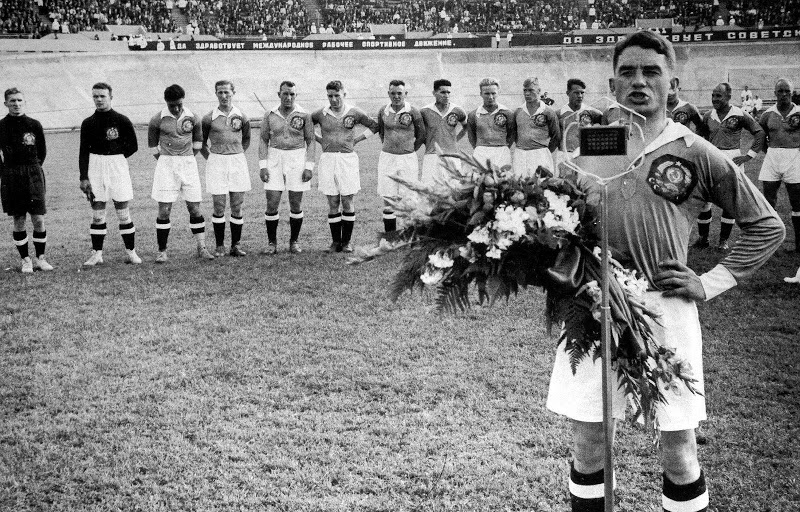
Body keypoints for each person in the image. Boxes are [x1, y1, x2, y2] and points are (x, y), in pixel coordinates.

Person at [548, 30, 784, 512]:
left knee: (678, 449)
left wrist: (709, 281)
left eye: (651, 71)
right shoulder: (594, 144)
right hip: (595, 308)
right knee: (589, 443)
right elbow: (560, 221)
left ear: (671, 82)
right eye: (628, 72)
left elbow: (766, 225)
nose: (639, 81)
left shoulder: (696, 149)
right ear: (613, 85)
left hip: (666, 311)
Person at [148, 84, 216, 263]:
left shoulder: (193, 117)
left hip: (188, 164)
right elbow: (153, 147)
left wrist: (185, 158)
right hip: (166, 165)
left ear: (183, 100)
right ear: (166, 102)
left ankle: (201, 248)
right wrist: (168, 160)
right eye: (172, 105)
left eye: (179, 104)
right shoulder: (158, 119)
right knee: (164, 210)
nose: (176, 108)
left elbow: (198, 142)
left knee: (194, 208)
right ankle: (162, 251)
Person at [311, 80, 377, 253]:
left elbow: (375, 126)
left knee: (347, 200)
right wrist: (319, 139)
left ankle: (346, 242)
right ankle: (335, 242)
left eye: (337, 95)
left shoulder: (354, 112)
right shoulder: (320, 113)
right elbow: (305, 126)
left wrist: (357, 140)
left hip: (347, 159)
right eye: (330, 96)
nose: (333, 100)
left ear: (344, 94)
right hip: (327, 159)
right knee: (332, 200)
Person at [696, 83, 765, 250]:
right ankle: (703, 239)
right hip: (711, 159)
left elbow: (759, 132)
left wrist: (748, 156)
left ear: (728, 96)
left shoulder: (739, 114)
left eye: (718, 96)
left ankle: (723, 241)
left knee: (729, 202)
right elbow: (700, 135)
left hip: (732, 160)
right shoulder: (707, 116)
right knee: (704, 201)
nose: (715, 99)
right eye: (713, 95)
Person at [79, 82, 141, 266]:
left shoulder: (122, 120)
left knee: (122, 210)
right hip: (95, 165)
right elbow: (83, 151)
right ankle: (97, 254)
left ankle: (131, 252)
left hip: (116, 164)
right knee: (98, 212)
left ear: (110, 97)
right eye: (95, 96)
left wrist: (115, 153)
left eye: (102, 96)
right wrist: (83, 177)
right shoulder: (88, 123)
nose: (98, 99)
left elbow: (133, 146)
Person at [258, 80, 315, 254]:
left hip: (296, 158)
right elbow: (262, 140)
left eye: (292, 94)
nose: (288, 97)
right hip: (275, 157)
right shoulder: (270, 114)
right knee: (272, 202)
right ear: (279, 94)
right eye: (285, 94)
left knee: (295, 203)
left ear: (296, 96)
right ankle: (271, 243)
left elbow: (310, 141)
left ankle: (294, 241)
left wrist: (309, 166)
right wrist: (263, 165)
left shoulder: (304, 115)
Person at [0, 88, 52, 273]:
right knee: (19, 219)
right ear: (5, 103)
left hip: (33, 173)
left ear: (24, 102)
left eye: (19, 100)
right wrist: (5, 172)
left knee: (38, 218)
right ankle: (25, 260)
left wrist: (34, 168)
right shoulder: (1, 126)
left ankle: (40, 259)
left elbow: (42, 152)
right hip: (12, 175)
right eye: (12, 101)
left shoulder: (34, 124)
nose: (16, 104)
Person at [201, 79, 251, 257]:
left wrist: (235, 154)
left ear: (233, 93)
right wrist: (213, 158)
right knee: (219, 206)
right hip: (217, 161)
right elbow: (201, 143)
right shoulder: (209, 118)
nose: (223, 96)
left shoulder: (242, 116)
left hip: (237, 161)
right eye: (220, 92)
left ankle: (236, 245)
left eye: (227, 92)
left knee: (237, 205)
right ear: (216, 94)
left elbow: (246, 140)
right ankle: (220, 245)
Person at [376, 79, 425, 233]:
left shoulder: (413, 111)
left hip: (407, 159)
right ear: (388, 94)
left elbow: (421, 135)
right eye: (393, 93)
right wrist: (390, 147)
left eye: (399, 93)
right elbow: (382, 133)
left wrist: (409, 149)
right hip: (387, 158)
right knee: (388, 197)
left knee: (408, 196)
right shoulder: (383, 110)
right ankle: (390, 236)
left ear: (405, 94)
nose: (396, 96)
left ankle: (408, 234)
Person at [758, 78, 800, 253]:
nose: (784, 95)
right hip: (773, 157)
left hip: (795, 157)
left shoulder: (799, 112)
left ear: (792, 93)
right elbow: (759, 137)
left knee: (797, 203)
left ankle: (799, 244)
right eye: (780, 91)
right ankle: (770, 243)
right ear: (774, 93)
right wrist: (771, 152)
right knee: (768, 202)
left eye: (787, 91)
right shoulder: (767, 114)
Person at [419, 79, 468, 186]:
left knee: (455, 188)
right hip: (432, 156)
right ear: (434, 93)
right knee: (430, 189)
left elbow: (466, 127)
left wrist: (455, 139)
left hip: (452, 155)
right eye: (443, 92)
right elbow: (419, 132)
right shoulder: (424, 111)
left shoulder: (458, 110)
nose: (446, 95)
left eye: (448, 92)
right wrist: (428, 141)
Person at [512, 77, 560, 178]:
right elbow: (514, 134)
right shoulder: (518, 112)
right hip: (521, 154)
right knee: (520, 184)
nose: (527, 94)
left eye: (531, 90)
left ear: (538, 91)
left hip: (540, 154)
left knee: (542, 186)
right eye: (525, 90)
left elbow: (556, 137)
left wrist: (543, 150)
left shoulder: (548, 112)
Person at [556, 78, 603, 174]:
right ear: (568, 93)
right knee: (566, 184)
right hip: (565, 155)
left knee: (584, 183)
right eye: (576, 93)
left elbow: (605, 123)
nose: (580, 96)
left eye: (582, 93)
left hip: (585, 155)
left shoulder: (592, 112)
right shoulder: (559, 113)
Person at [466, 78, 515, 169]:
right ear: (481, 94)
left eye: (493, 93)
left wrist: (503, 146)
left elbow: (512, 134)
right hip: (481, 152)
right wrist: (480, 148)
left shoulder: (508, 113)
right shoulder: (473, 114)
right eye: (487, 93)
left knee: (502, 180)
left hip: (501, 151)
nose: (490, 97)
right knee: (480, 181)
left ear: (498, 93)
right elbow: (471, 136)